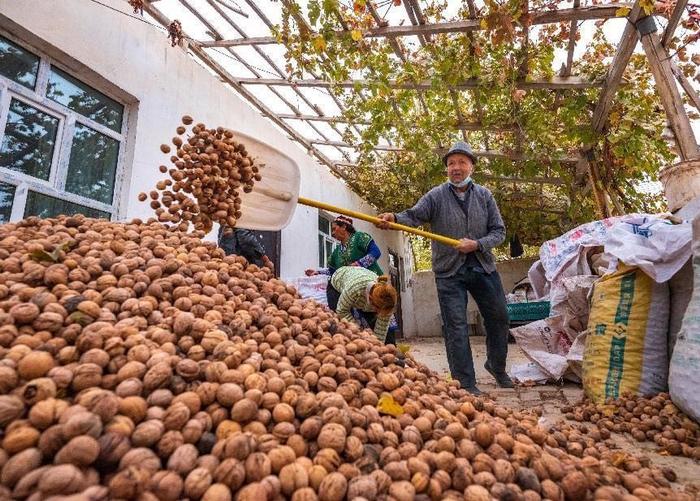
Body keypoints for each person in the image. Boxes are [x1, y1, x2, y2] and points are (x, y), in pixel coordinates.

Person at [377, 141, 514, 395]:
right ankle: (465, 382)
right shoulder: (436, 196)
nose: (456, 167)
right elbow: (414, 215)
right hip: (449, 272)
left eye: (462, 162)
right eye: (451, 163)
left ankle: (497, 366)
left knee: (499, 317)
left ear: (471, 166)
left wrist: (478, 244)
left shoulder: (485, 196)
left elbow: (499, 232)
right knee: (456, 326)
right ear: (447, 169)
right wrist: (394, 219)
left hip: (483, 266)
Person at [305, 215, 383, 310]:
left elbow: (376, 252)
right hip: (356, 291)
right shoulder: (337, 252)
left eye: (334, 229)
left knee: (382, 311)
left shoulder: (359, 237)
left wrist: (358, 264)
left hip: (374, 284)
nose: (333, 233)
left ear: (344, 227)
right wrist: (318, 272)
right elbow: (334, 271)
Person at [330, 266, 398, 345]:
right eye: (377, 310)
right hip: (339, 280)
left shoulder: (388, 301)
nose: (378, 313)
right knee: (342, 326)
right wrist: (358, 333)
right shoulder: (354, 288)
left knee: (388, 337)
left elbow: (381, 328)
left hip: (361, 281)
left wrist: (378, 346)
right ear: (370, 299)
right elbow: (342, 310)